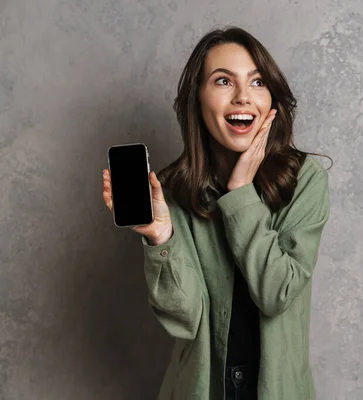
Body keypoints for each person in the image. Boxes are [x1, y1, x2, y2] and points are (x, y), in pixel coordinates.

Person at [102, 26, 331, 400]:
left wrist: (240, 193)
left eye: (257, 82)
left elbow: (277, 292)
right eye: (223, 81)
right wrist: (161, 237)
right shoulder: (171, 190)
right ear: (197, 99)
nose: (243, 97)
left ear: (271, 99)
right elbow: (184, 318)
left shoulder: (304, 180)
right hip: (201, 388)